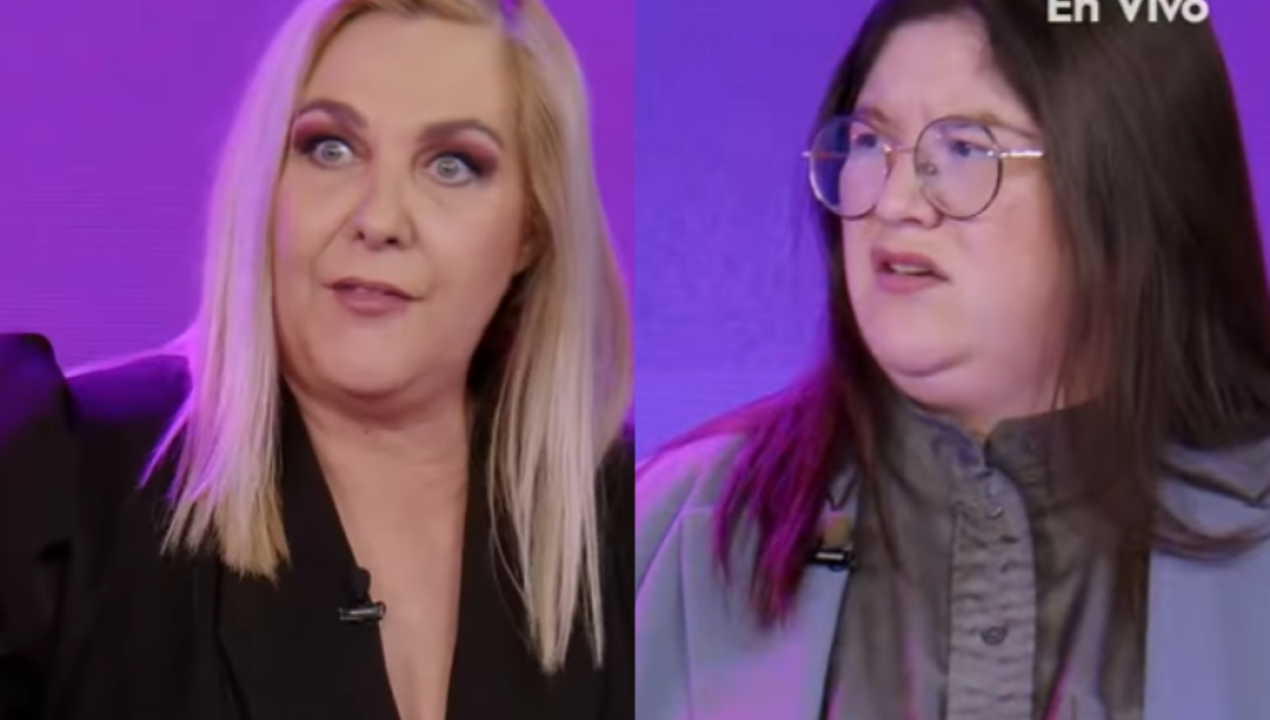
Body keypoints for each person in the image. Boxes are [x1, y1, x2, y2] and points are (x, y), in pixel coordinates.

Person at [635, 1, 1270, 719]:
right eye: (870, 142)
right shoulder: (667, 526)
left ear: (1133, 188)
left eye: (966, 149)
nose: (895, 202)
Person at [0, 0, 633, 718]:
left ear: (531, 232)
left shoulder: (628, 531)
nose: (379, 220)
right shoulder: (55, 486)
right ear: (266, 186)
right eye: (331, 149)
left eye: (452, 166)